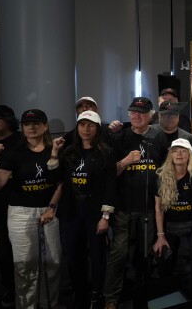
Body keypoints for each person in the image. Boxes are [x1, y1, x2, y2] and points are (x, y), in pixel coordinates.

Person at [103, 97, 169, 309]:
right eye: (133, 112)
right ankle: (111, 298)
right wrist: (125, 161)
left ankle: (142, 295)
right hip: (123, 208)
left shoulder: (159, 138)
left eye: (142, 113)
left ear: (151, 115)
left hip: (149, 209)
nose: (136, 116)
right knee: (118, 255)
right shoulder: (119, 138)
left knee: (144, 256)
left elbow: (165, 171)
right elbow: (107, 174)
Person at [0, 109, 64, 308]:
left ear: (45, 126)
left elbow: (61, 183)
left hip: (49, 209)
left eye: (36, 123)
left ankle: (50, 303)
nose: (32, 127)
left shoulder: (55, 148)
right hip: (20, 212)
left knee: (54, 262)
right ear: (22, 127)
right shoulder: (14, 151)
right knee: (25, 265)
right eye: (27, 124)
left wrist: (51, 207)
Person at [59, 110, 116, 308]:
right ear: (77, 127)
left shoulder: (106, 152)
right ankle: (79, 291)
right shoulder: (68, 152)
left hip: (94, 211)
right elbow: (58, 180)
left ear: (98, 128)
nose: (86, 129)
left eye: (91, 125)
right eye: (82, 125)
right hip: (71, 210)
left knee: (98, 255)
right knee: (74, 255)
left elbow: (110, 186)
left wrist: (105, 216)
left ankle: (96, 293)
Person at [153, 138, 192, 300]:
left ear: (189, 155)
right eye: (175, 151)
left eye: (183, 151)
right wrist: (160, 236)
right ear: (171, 155)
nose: (179, 154)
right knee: (163, 257)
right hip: (171, 224)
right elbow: (158, 209)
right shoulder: (162, 176)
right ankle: (168, 289)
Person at [0, 105, 21, 307]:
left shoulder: (20, 141)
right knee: (3, 246)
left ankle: (22, 287)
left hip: (18, 200)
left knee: (20, 247)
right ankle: (8, 287)